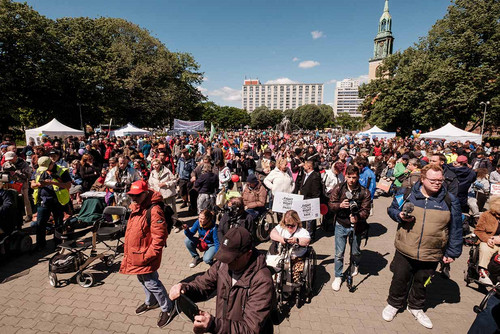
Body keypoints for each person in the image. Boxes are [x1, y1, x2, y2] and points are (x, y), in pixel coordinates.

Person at [382, 164, 462, 329]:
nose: (437, 183)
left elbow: (456, 228)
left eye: (440, 180)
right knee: (399, 278)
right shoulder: (406, 193)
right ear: (423, 179)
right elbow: (391, 209)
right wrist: (399, 216)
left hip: (432, 252)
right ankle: (394, 304)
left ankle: (416, 307)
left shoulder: (450, 200)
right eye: (433, 180)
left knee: (423, 282)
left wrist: (452, 252)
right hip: (405, 248)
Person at [169, 227, 274, 333]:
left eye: (232, 258)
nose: (228, 262)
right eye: (225, 257)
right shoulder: (223, 264)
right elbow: (203, 284)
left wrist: (214, 325)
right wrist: (185, 289)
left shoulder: (262, 281)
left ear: (248, 254)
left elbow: (251, 329)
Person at [119, 180, 175, 328]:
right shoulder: (136, 206)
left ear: (145, 193)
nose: (133, 198)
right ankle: (151, 301)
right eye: (132, 195)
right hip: (136, 253)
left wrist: (148, 255)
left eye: (137, 195)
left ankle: (167, 308)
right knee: (142, 279)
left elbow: (159, 237)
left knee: (151, 282)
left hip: (144, 255)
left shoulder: (154, 210)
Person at [329, 165, 371, 291]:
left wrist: (358, 217)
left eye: (354, 177)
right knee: (339, 253)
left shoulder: (364, 191)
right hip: (341, 224)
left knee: (355, 251)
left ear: (358, 177)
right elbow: (331, 204)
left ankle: (355, 264)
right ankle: (338, 276)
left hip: (357, 226)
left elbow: (366, 210)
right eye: (349, 177)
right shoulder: (339, 188)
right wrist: (340, 205)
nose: (351, 180)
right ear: (345, 176)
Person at [30, 156, 72, 251]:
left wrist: (53, 182)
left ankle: (58, 244)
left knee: (58, 223)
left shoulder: (62, 171)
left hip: (57, 200)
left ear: (51, 164)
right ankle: (40, 244)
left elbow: (68, 185)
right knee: (40, 223)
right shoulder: (38, 171)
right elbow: (32, 184)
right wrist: (38, 184)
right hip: (43, 200)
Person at [269, 210, 311, 282]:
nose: (289, 228)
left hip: (296, 257)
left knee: (295, 276)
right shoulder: (281, 228)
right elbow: (272, 234)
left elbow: (307, 240)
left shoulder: (302, 231)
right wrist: (281, 239)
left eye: (292, 225)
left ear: (297, 223)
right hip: (281, 255)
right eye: (287, 225)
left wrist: (297, 240)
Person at [473, 196, 500, 286]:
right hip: (488, 241)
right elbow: (478, 230)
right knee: (485, 248)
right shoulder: (486, 215)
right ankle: (483, 272)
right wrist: (487, 239)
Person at [148, 158, 179, 229]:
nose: (155, 166)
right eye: (153, 165)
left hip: (168, 194)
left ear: (160, 164)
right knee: (162, 210)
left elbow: (174, 180)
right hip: (158, 195)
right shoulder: (152, 173)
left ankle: (176, 224)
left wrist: (165, 183)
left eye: (156, 164)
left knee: (172, 210)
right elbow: (150, 184)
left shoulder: (167, 171)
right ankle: (167, 224)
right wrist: (152, 190)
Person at [295, 160, 322, 239]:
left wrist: (313, 202)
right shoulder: (305, 175)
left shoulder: (315, 176)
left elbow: (316, 191)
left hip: (310, 200)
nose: (303, 165)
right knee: (303, 218)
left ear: (309, 166)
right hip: (304, 199)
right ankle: (304, 234)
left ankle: (310, 235)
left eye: (305, 164)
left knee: (310, 220)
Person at [3, 151, 33, 222]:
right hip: (11, 184)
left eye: (11, 159)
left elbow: (28, 175)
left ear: (15, 157)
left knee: (25, 200)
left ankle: (29, 215)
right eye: (8, 159)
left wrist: (17, 172)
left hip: (22, 184)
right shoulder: (7, 164)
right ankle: (14, 216)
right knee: (12, 200)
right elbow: (2, 171)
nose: (9, 161)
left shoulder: (23, 163)